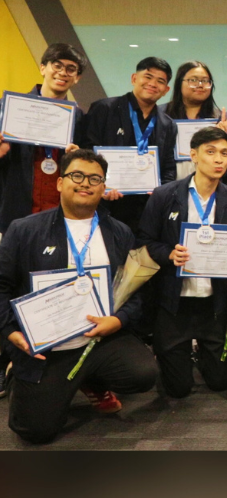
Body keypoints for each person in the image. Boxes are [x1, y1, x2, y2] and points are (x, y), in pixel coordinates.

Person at [0, 149, 157, 444]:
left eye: (95, 178)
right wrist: (10, 333)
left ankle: (91, 380)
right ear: (60, 183)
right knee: (35, 431)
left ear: (103, 187)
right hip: (46, 347)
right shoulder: (24, 230)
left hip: (99, 339)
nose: (86, 183)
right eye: (77, 176)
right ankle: (17, 373)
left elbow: (136, 293)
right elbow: (1, 286)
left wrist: (118, 320)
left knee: (143, 374)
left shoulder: (119, 233)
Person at [137, 127, 227, 398]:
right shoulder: (165, 195)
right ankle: (173, 354)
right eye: (210, 152)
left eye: (224, 153)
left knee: (220, 382)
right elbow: (143, 240)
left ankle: (202, 355)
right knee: (178, 389)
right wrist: (169, 254)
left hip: (213, 302)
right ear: (194, 156)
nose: (218, 159)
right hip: (174, 302)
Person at [0, 43, 86, 235]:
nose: (63, 73)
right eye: (57, 65)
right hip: (14, 213)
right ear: (42, 68)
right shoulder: (9, 109)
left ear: (77, 78)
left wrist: (76, 158)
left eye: (71, 69)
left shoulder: (79, 118)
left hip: (59, 215)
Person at [83, 56, 177, 233]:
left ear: (166, 90)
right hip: (104, 205)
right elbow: (87, 152)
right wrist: (100, 185)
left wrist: (161, 193)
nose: (152, 84)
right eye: (147, 77)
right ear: (134, 78)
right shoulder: (104, 109)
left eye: (160, 81)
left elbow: (168, 167)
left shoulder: (167, 124)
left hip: (146, 210)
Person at [161, 61, 227, 181]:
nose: (200, 85)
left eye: (205, 81)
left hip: (208, 186)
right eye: (193, 80)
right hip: (169, 186)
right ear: (179, 83)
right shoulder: (161, 115)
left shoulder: (219, 119)